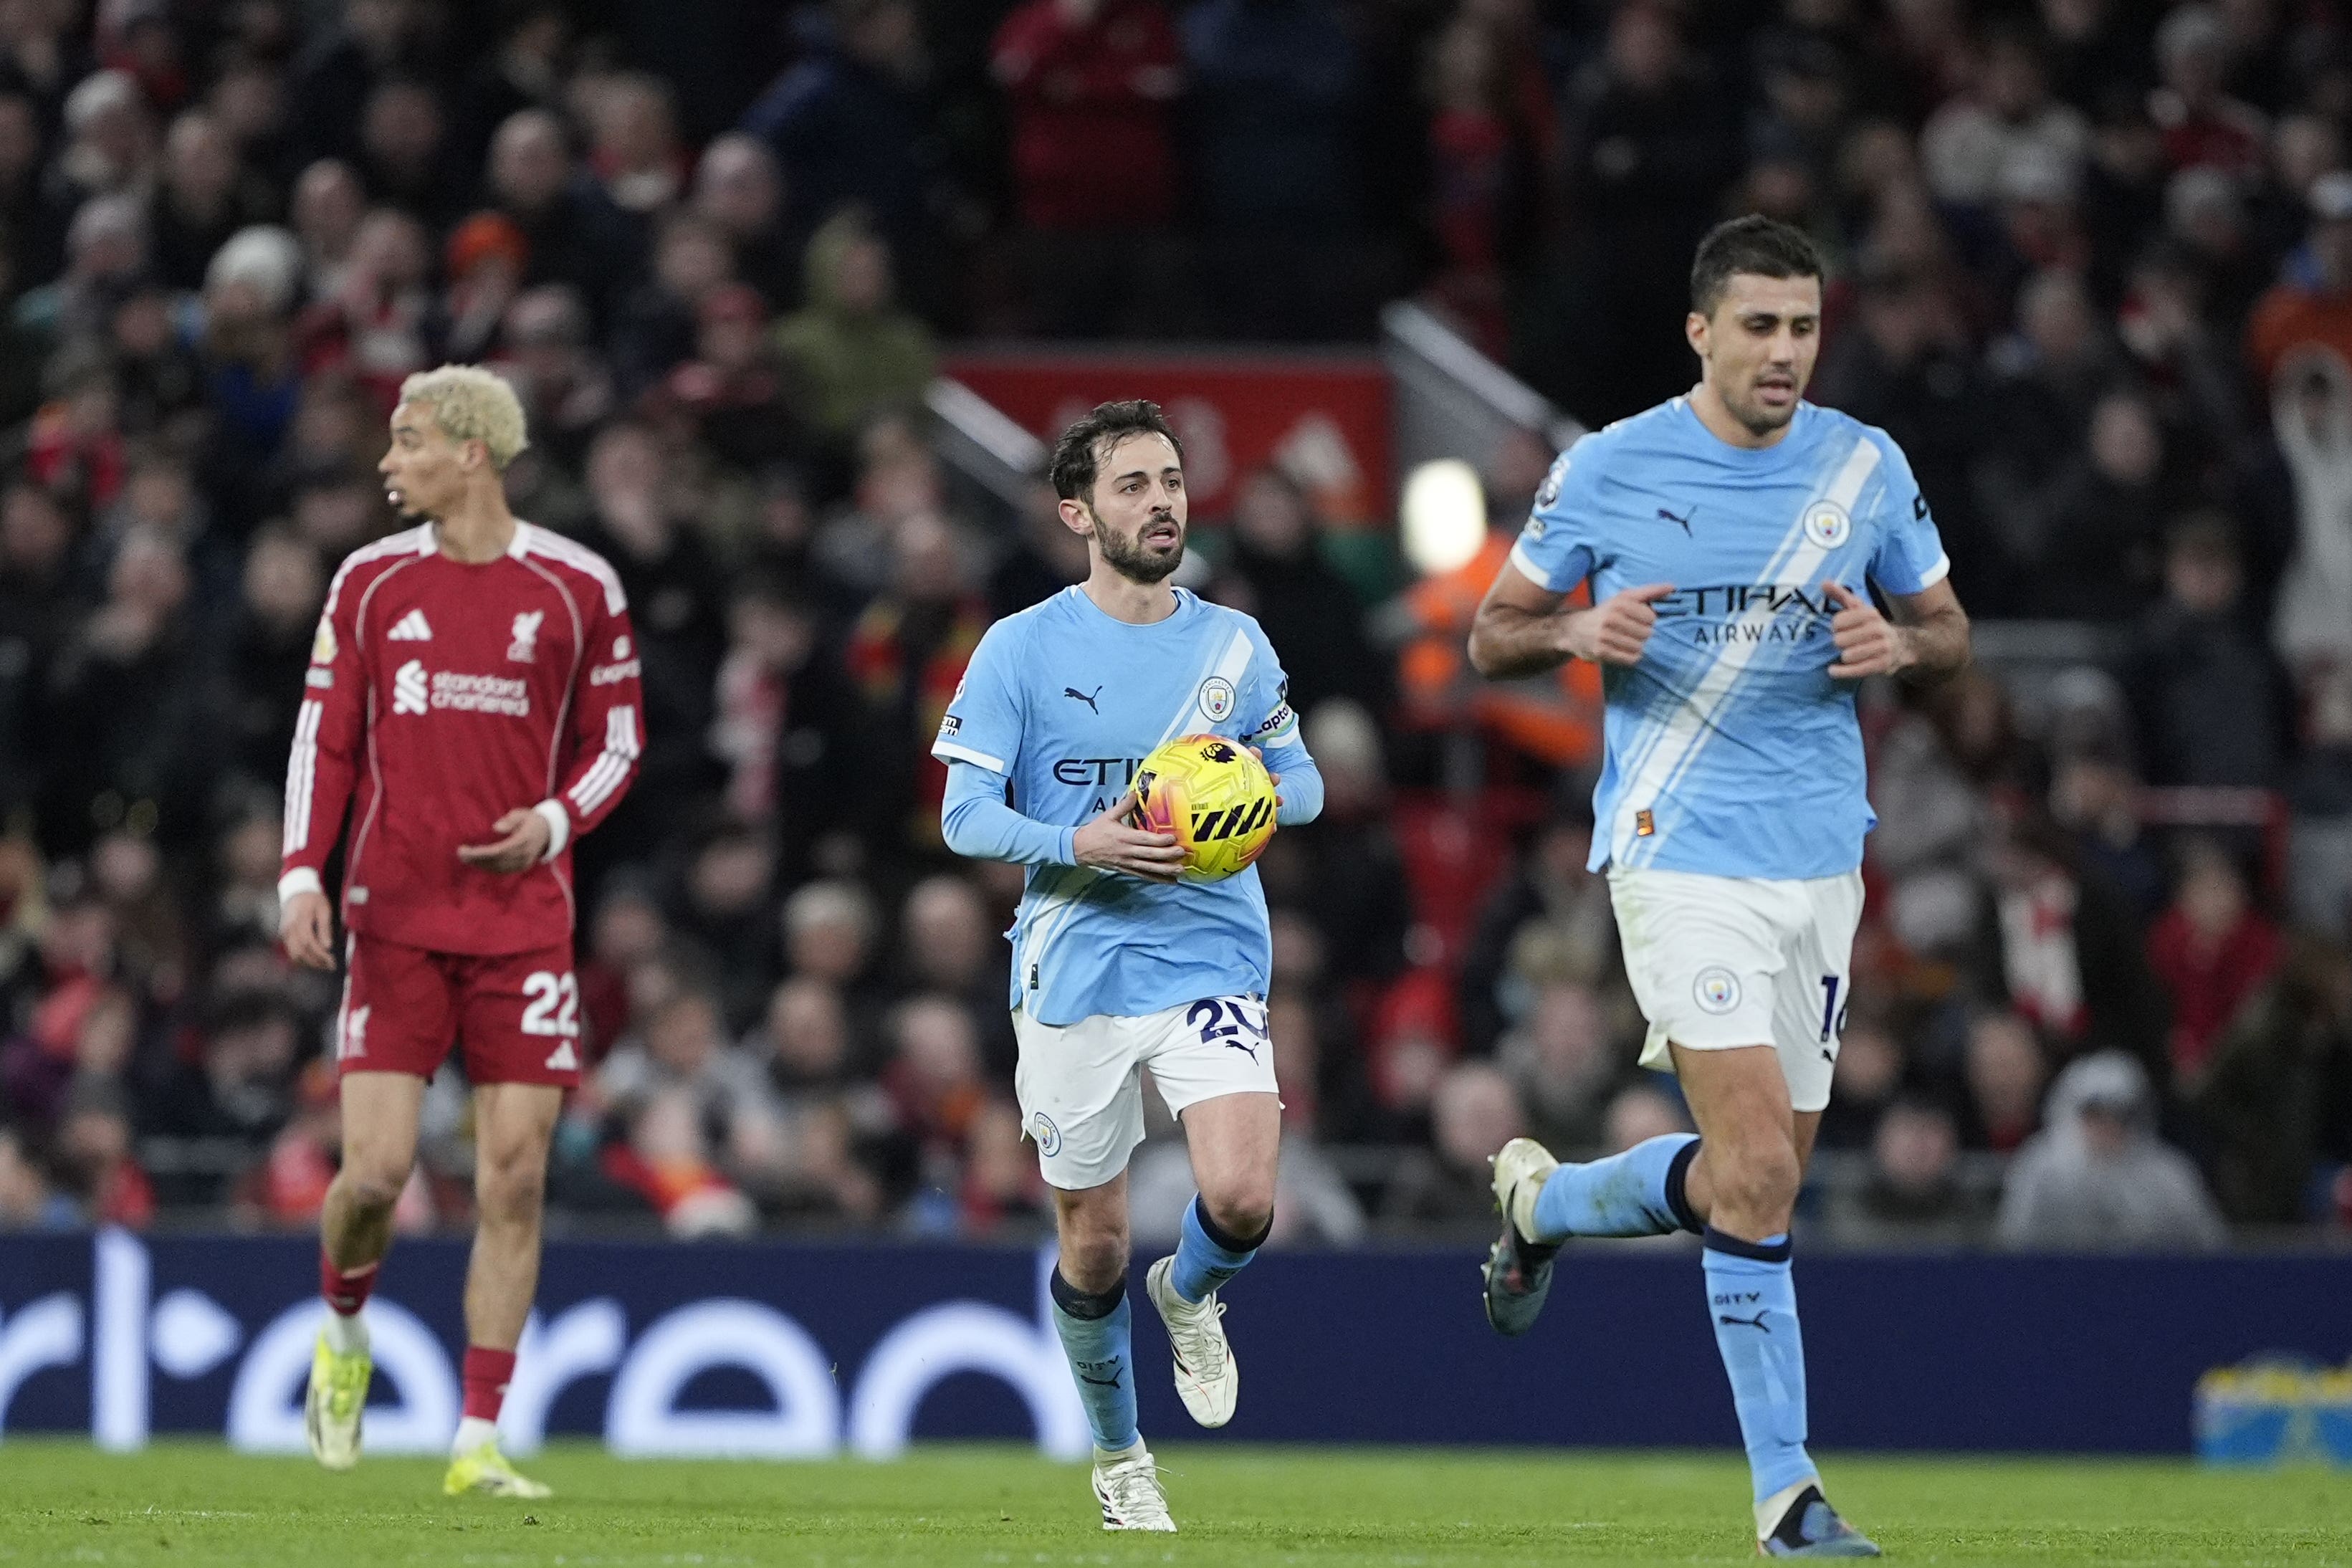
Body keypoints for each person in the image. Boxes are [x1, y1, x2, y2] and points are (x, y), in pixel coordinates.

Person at [1465, 215, 1971, 1559]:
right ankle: (1788, 1499)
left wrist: (1899, 646)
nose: (1785, 353)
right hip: (1672, 852)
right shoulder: (1608, 469)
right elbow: (1488, 632)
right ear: (1700, 331)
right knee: (1751, 1170)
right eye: (1759, 326)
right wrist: (1572, 626)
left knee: (1758, 1189)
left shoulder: (1865, 466)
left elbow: (1949, 629)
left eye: (1803, 327)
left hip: (1820, 864)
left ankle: (1544, 1206)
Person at [932, 401, 1322, 1531]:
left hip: (1206, 948)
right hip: (1072, 961)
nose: (1162, 503)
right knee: (1092, 1244)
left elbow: (1304, 786)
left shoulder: (1232, 646)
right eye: (1133, 486)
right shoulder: (1021, 647)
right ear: (1077, 512)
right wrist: (1079, 840)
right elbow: (963, 817)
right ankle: (1119, 1458)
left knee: (1243, 1196)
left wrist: (1234, 793)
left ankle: (1191, 1292)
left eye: (1171, 481)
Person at [277, 365, 644, 1498]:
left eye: (410, 441)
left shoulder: (578, 586)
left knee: (515, 1179)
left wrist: (551, 819)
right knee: (377, 1176)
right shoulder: (372, 583)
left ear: (473, 452)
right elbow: (324, 741)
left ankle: (476, 1439)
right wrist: (299, 871)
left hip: (524, 926)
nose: (389, 463)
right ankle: (343, 1335)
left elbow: (620, 744)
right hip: (391, 918)